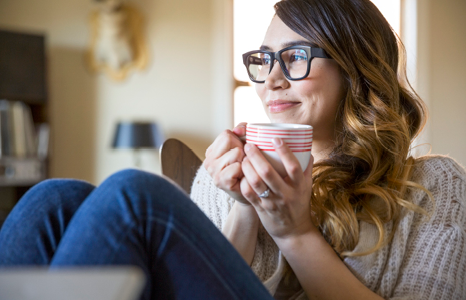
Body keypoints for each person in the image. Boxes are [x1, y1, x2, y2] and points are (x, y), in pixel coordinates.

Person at [0, 0, 465, 299]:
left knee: (133, 196)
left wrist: (296, 234)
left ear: (356, 67)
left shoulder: (435, 185)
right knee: (51, 199)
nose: (271, 79)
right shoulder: (225, 171)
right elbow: (191, 282)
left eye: (296, 56)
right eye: (264, 60)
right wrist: (243, 207)